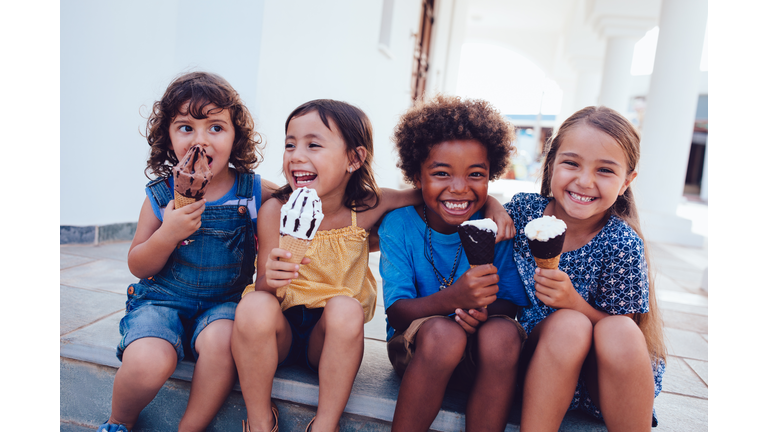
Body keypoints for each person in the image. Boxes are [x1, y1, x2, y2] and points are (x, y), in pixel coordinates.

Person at [231, 99, 514, 432]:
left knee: (347, 309)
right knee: (254, 304)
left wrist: (493, 204)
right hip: (278, 332)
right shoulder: (275, 211)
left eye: (313, 145)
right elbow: (264, 284)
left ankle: (325, 424)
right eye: (290, 144)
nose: (296, 154)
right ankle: (259, 419)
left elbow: (433, 191)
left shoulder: (368, 207)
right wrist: (270, 280)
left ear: (354, 158)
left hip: (328, 337)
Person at [98, 72, 278, 432]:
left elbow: (302, 200)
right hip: (160, 303)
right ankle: (119, 422)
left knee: (224, 340)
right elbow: (138, 264)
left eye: (215, 127)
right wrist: (168, 233)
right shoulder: (160, 195)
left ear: (235, 135)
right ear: (168, 136)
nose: (201, 139)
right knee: (149, 360)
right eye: (185, 127)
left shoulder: (253, 191)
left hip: (222, 306)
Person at [504, 106, 666, 431]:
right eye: (571, 163)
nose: (584, 180)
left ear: (626, 182)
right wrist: (493, 207)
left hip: (598, 382)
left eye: (605, 170)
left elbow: (626, 332)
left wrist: (574, 303)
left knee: (613, 328)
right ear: (550, 165)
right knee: (568, 326)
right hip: (531, 363)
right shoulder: (523, 213)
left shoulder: (622, 242)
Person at [379, 94, 530, 432]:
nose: (459, 188)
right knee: (444, 335)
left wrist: (481, 314)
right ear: (418, 176)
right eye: (442, 173)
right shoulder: (399, 225)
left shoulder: (498, 228)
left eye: (476, 174)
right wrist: (454, 300)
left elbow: (508, 303)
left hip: (479, 352)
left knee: (505, 334)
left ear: (492, 175)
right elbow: (397, 312)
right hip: (420, 348)